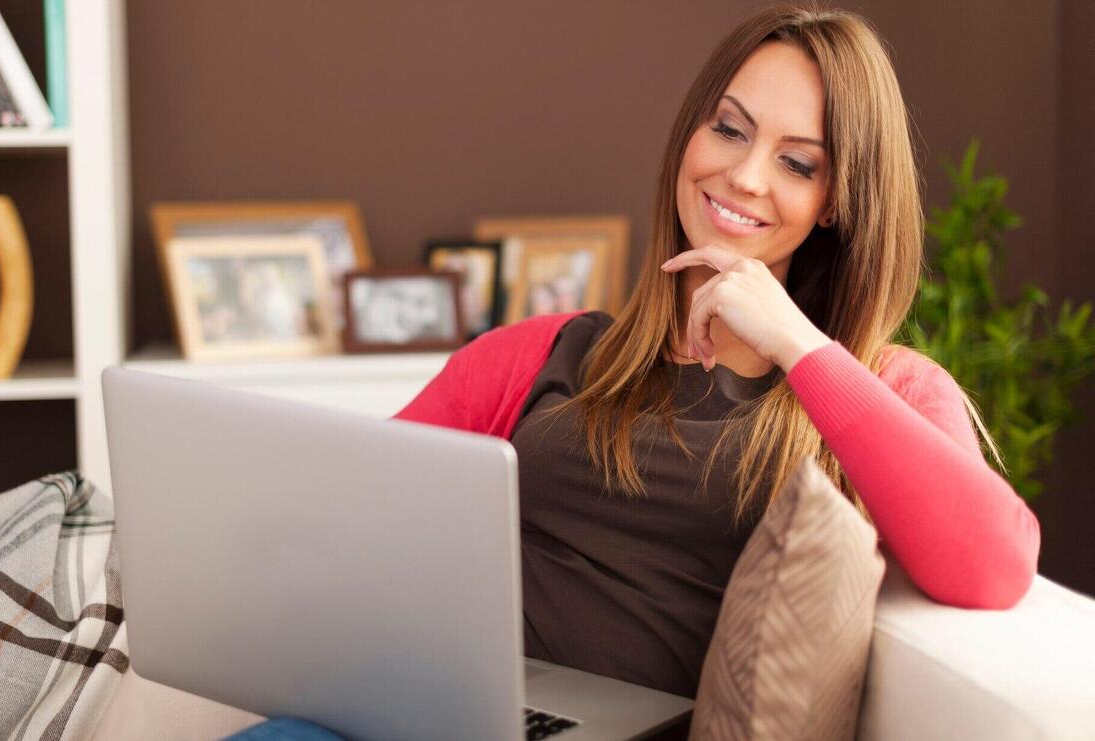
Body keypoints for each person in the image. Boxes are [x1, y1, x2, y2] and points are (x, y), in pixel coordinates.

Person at [393, 1, 1039, 705]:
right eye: (727, 128)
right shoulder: (542, 352)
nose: (745, 175)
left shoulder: (880, 385)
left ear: (833, 201)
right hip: (439, 702)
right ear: (690, 134)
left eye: (797, 162)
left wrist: (796, 344)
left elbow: (992, 568)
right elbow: (350, 502)